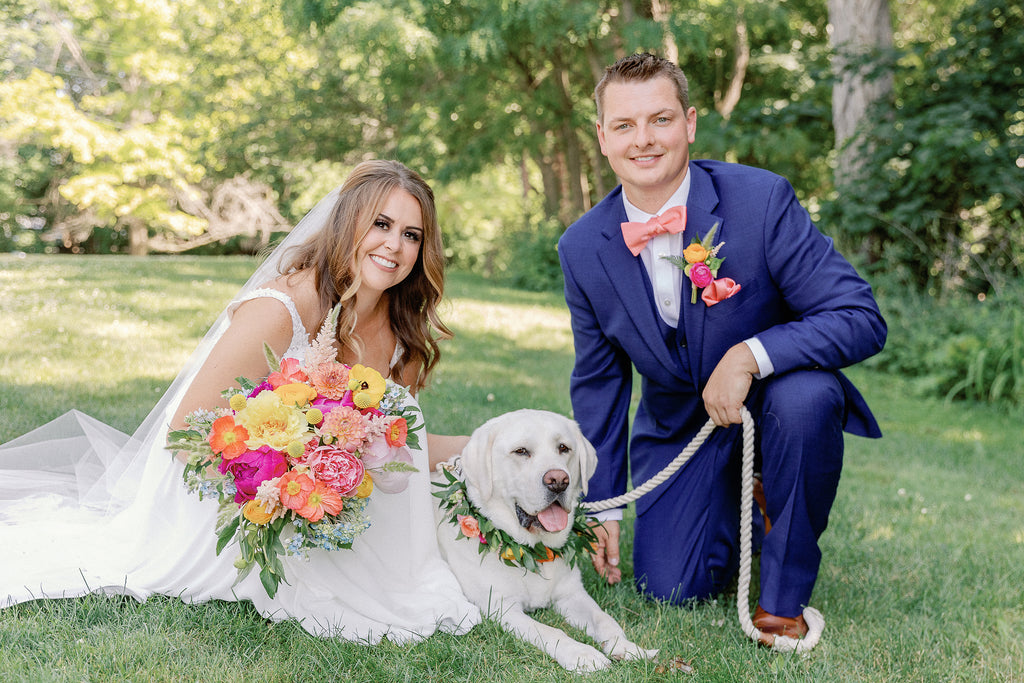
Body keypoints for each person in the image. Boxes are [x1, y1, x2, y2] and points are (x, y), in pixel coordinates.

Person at [0, 159, 480, 643]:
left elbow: (403, 447)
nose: (394, 246)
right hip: (223, 490)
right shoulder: (282, 309)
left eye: (412, 235)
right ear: (348, 221)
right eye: (381, 224)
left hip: (318, 494)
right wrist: (289, 477)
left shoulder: (402, 335)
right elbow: (185, 432)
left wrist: (488, 447)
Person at [557, 53, 886, 648]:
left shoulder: (760, 201)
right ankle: (749, 500)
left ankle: (782, 598)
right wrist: (602, 504)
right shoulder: (581, 248)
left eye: (659, 120)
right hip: (680, 423)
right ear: (602, 137)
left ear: (689, 123)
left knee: (808, 396)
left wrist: (748, 356)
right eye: (625, 126)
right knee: (669, 587)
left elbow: (859, 317)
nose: (644, 140)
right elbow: (600, 383)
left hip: (780, 398)